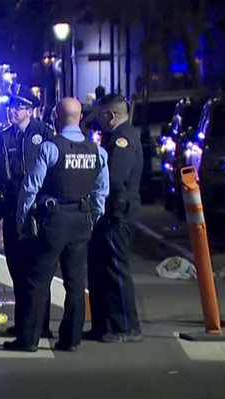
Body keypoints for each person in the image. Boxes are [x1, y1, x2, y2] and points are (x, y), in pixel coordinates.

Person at [3, 97, 109, 352]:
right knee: (75, 282)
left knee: (37, 281)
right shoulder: (97, 151)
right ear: (80, 116)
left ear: (57, 118)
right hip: (81, 220)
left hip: (53, 220)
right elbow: (101, 190)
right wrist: (93, 217)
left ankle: (28, 339)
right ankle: (71, 339)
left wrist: (22, 219)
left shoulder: (51, 148)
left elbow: (31, 187)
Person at [0, 83, 54, 339]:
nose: (12, 111)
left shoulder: (44, 134)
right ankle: (24, 323)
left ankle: (40, 325)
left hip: (37, 212)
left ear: (30, 111)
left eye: (18, 107)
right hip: (11, 210)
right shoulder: (3, 137)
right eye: (11, 106)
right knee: (17, 269)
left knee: (37, 271)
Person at [84, 93, 144, 343]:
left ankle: (127, 326)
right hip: (108, 214)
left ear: (110, 115)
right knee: (100, 270)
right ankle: (104, 325)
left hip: (117, 214)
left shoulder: (123, 140)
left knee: (116, 270)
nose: (98, 120)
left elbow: (115, 178)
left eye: (100, 115)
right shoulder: (116, 137)